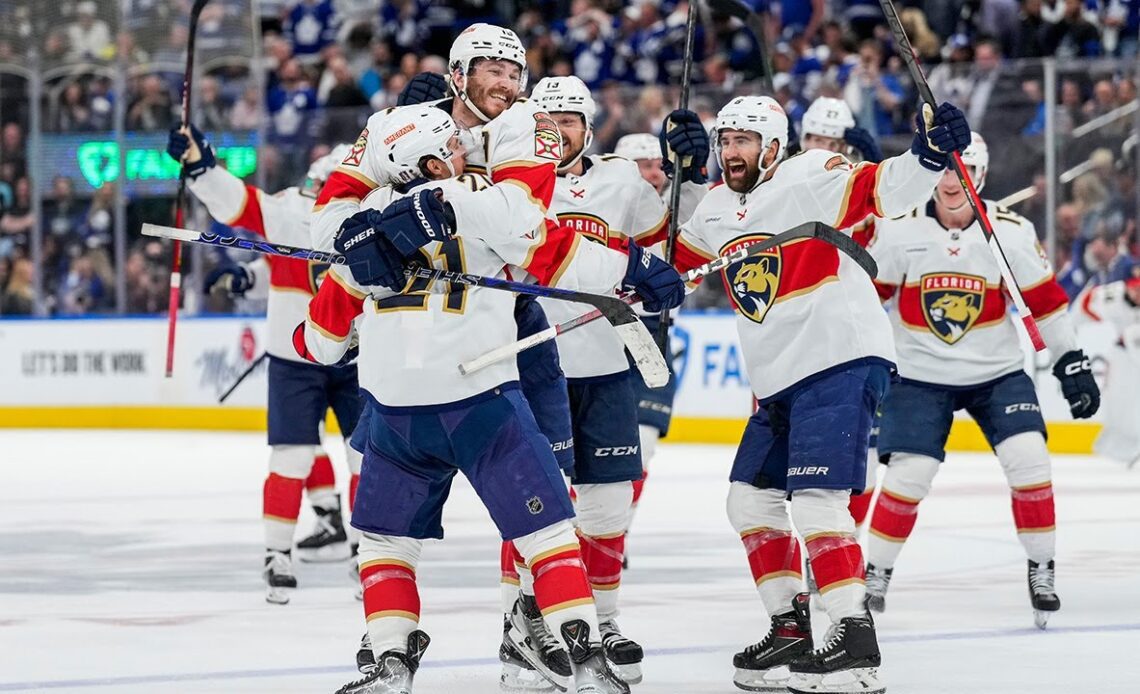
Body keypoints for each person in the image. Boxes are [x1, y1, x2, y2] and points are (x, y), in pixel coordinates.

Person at [297, 104, 684, 694]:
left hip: (395, 416)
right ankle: (585, 657)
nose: (464, 151)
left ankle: (390, 661)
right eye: (452, 147)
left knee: (386, 544)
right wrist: (636, 266)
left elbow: (320, 345)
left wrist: (328, 322)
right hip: (481, 400)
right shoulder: (481, 200)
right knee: (548, 533)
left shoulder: (360, 224)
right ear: (430, 161)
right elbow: (559, 253)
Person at [664, 95, 972, 693]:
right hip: (778, 381)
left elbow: (886, 189)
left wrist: (929, 154)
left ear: (774, 146)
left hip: (840, 357)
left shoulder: (811, 173)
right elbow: (668, 270)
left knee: (815, 502)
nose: (731, 153)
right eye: (724, 141)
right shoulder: (718, 209)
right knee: (749, 503)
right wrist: (674, 180)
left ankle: (855, 644)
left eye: (743, 141)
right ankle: (789, 630)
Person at [312, 25, 584, 687]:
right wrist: (386, 222)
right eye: (490, 68)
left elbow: (525, 227)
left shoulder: (530, 128)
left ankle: (543, 628)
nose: (504, 83)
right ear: (459, 73)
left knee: (547, 498)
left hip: (509, 326)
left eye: (513, 71)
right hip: (411, 347)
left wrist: (410, 207)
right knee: (410, 524)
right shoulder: (396, 126)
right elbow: (324, 227)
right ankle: (393, 652)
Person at [863, 132, 1101, 630]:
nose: (954, 181)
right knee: (908, 475)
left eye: (965, 170)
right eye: (946, 170)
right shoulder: (900, 228)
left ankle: (1042, 567)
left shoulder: (1010, 232)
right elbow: (866, 299)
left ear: (982, 177)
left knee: (1030, 461)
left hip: (996, 373)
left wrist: (1071, 361)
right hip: (918, 375)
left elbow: (1046, 304)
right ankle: (875, 572)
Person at [493, 76, 674, 687]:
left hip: (608, 364)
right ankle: (524, 626)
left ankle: (602, 621)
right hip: (533, 367)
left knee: (607, 505)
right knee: (535, 506)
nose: (557, 131)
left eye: (569, 120)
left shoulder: (623, 182)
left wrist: (690, 174)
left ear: (588, 128)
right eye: (547, 121)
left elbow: (666, 252)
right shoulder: (510, 182)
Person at [166, 127, 363, 603]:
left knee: (367, 457)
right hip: (297, 358)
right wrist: (202, 167)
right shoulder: (293, 208)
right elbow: (243, 206)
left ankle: (368, 548)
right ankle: (278, 553)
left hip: (358, 356)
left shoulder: (369, 214)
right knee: (293, 456)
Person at [1073, 275, 1140, 465]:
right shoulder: (1113, 296)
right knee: (1116, 400)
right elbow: (1085, 305)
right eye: (1135, 289)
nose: (1137, 294)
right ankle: (1114, 445)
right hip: (1122, 354)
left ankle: (1130, 444)